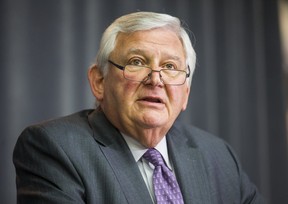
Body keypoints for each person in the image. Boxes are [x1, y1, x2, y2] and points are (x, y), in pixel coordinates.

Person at [13, 11, 264, 204]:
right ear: (99, 81)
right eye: (137, 62)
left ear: (185, 93)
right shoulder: (54, 148)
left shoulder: (218, 155)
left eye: (169, 67)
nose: (156, 79)